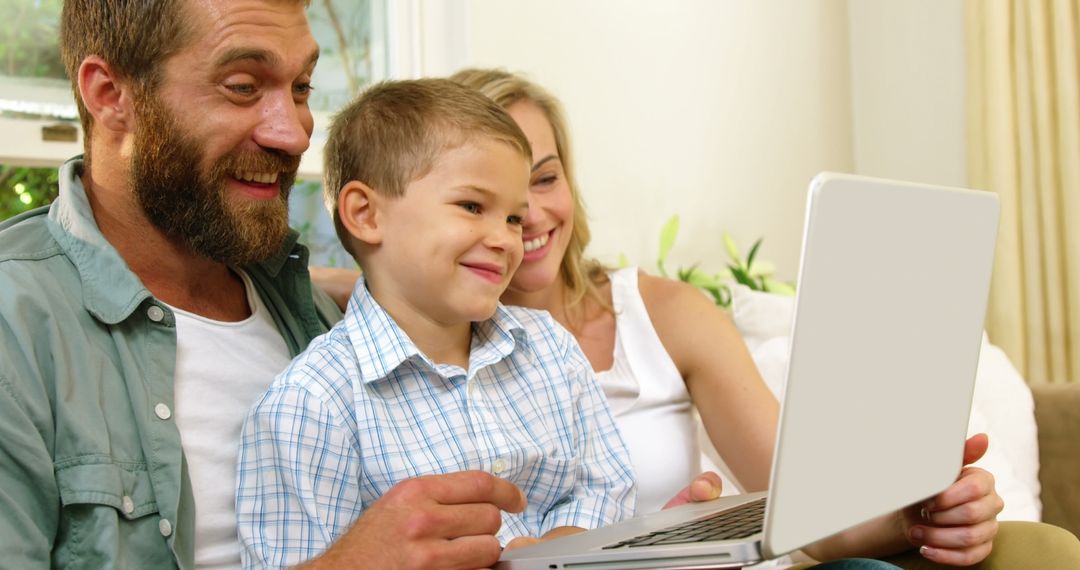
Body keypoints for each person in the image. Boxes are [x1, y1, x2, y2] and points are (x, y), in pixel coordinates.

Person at [0, 2, 536, 569]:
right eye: (242, 86)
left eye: (301, 87)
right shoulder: (17, 328)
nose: (295, 133)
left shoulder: (316, 316)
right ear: (110, 95)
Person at [443, 68, 1004, 566]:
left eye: (545, 178)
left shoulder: (665, 314)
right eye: (492, 197)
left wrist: (916, 517)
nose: (531, 214)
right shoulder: (434, 353)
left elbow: (808, 516)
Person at [234, 78, 636, 567]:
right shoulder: (311, 407)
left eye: (512, 218)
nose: (507, 239)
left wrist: (561, 547)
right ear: (366, 215)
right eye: (472, 206)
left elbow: (606, 484)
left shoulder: (550, 348)